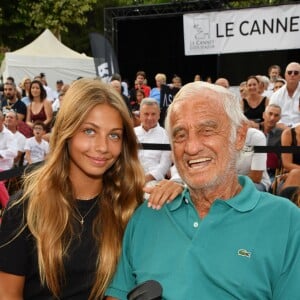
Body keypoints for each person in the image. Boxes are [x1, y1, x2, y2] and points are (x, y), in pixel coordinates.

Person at [106, 81, 300, 300]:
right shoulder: (147, 216)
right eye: (180, 135)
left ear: (239, 136)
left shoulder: (285, 221)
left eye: (207, 130)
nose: (192, 147)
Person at [0, 78, 146, 299]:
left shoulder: (128, 207)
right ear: (66, 132)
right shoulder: (25, 208)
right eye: (89, 131)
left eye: (114, 135)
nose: (102, 147)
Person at [134, 98, 172, 184]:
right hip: (131, 178)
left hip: (153, 182)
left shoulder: (166, 135)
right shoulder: (131, 133)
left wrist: (145, 179)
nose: (150, 118)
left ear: (159, 115)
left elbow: (164, 165)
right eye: (146, 114)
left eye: (153, 114)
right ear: (140, 115)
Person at [269, 62, 300, 129]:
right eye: (289, 72)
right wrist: (281, 125)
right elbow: (270, 114)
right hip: (280, 129)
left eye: (296, 73)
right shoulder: (276, 95)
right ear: (285, 75)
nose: (292, 75)